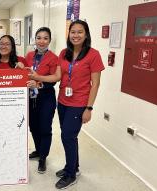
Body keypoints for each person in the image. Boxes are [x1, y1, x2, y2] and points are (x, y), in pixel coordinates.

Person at [30, 20, 105, 189]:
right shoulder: (64, 53)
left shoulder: (93, 55)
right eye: (73, 32)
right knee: (69, 136)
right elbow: (56, 77)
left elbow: (96, 83)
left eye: (80, 32)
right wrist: (37, 77)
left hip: (79, 103)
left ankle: (70, 175)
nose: (76, 35)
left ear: (86, 35)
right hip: (63, 101)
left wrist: (89, 108)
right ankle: (74, 168)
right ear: (68, 34)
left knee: (67, 137)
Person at [25, 27, 59, 174]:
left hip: (46, 98)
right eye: (39, 37)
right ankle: (38, 150)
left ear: (49, 40)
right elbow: (23, 73)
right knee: (33, 126)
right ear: (35, 39)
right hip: (31, 98)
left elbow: (54, 80)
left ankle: (43, 158)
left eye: (45, 38)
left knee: (45, 128)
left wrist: (38, 83)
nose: (42, 41)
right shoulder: (29, 55)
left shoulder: (54, 58)